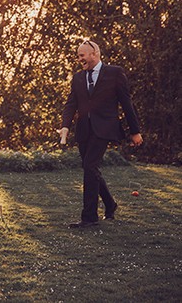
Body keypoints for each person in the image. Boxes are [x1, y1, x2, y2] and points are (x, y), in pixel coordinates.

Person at [60, 40, 143, 228]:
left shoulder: (114, 73)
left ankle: (89, 218)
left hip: (105, 128)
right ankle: (110, 204)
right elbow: (71, 103)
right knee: (91, 169)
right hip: (84, 129)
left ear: (94, 53)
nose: (79, 59)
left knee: (90, 166)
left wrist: (135, 131)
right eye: (78, 55)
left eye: (82, 55)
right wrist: (65, 125)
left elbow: (126, 103)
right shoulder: (78, 78)